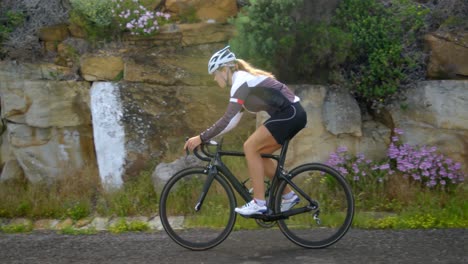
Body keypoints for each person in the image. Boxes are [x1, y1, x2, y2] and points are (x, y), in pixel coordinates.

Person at [184, 46, 307, 216]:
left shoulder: (241, 80)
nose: (214, 79)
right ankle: (288, 196)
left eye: (215, 73)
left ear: (225, 69)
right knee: (260, 153)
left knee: (250, 147)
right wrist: (206, 138)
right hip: (292, 114)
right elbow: (232, 121)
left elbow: (226, 119)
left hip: (290, 113)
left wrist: (201, 137)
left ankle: (258, 203)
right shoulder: (242, 83)